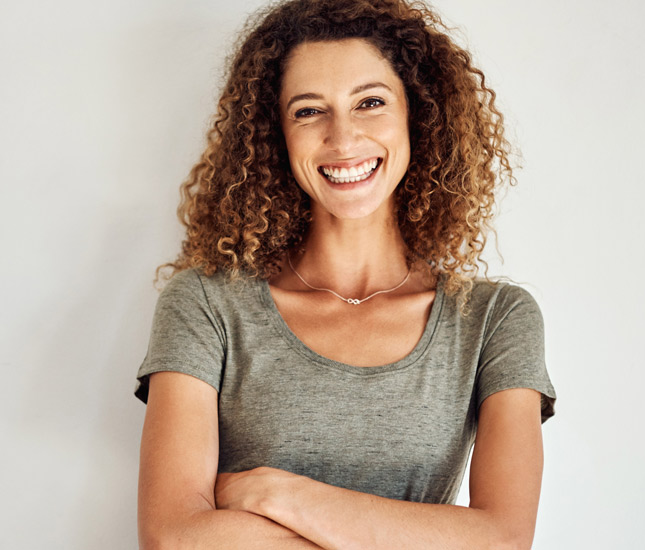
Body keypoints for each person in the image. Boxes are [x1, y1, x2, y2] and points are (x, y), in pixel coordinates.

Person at [134, 0, 557, 548]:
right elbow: (172, 539)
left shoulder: (494, 320)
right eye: (309, 111)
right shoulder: (207, 304)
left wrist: (275, 494)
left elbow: (502, 539)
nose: (342, 138)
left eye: (371, 102)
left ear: (417, 116)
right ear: (275, 134)